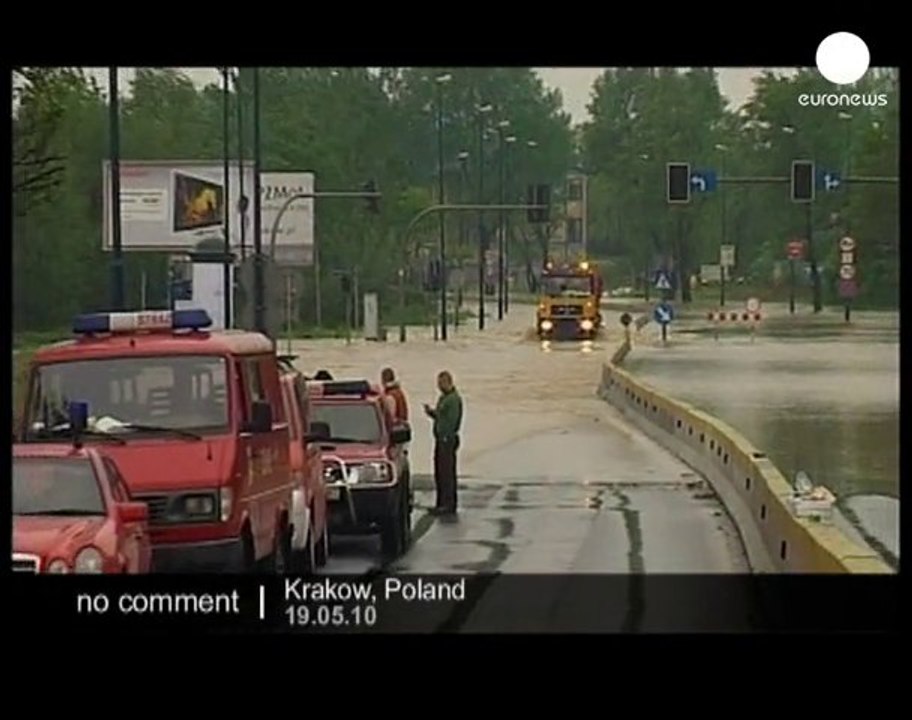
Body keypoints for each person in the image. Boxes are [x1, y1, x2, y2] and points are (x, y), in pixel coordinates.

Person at [423, 371, 463, 516]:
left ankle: (449, 504)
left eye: (440, 383)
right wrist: (431, 413)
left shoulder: (453, 400)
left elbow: (451, 421)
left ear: (448, 382)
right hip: (440, 439)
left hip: (447, 440)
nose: (439, 386)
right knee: (440, 472)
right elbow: (441, 417)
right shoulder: (444, 398)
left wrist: (446, 436)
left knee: (447, 473)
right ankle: (441, 503)